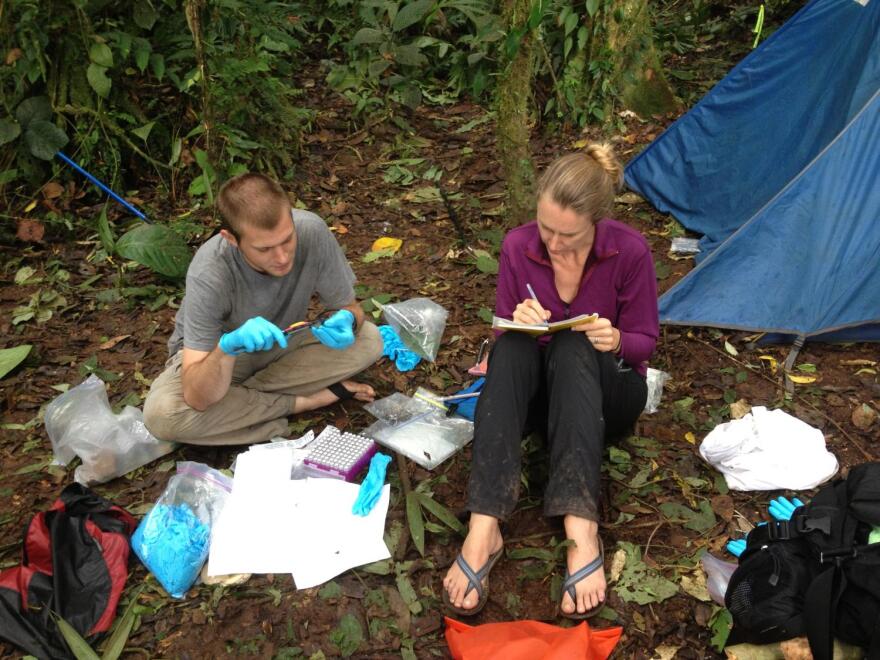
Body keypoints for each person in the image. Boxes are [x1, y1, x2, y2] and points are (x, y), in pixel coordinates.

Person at [442, 144, 659, 619]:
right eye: (546, 228)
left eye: (568, 235)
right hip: (542, 401)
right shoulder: (517, 246)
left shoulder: (629, 251)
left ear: (596, 222)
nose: (554, 244)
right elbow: (503, 331)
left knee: (573, 344)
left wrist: (616, 338)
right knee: (510, 347)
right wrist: (517, 322)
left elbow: (645, 342)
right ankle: (484, 526)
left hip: (607, 395)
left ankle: (582, 529)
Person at [143, 173, 383, 445]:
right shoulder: (209, 271)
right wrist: (227, 348)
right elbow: (196, 396)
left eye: (287, 240)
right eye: (264, 249)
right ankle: (305, 401)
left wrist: (348, 319)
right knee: (163, 415)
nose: (282, 257)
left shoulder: (311, 231)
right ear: (231, 239)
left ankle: (238, 407)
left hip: (283, 339)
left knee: (369, 339)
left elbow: (350, 308)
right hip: (216, 358)